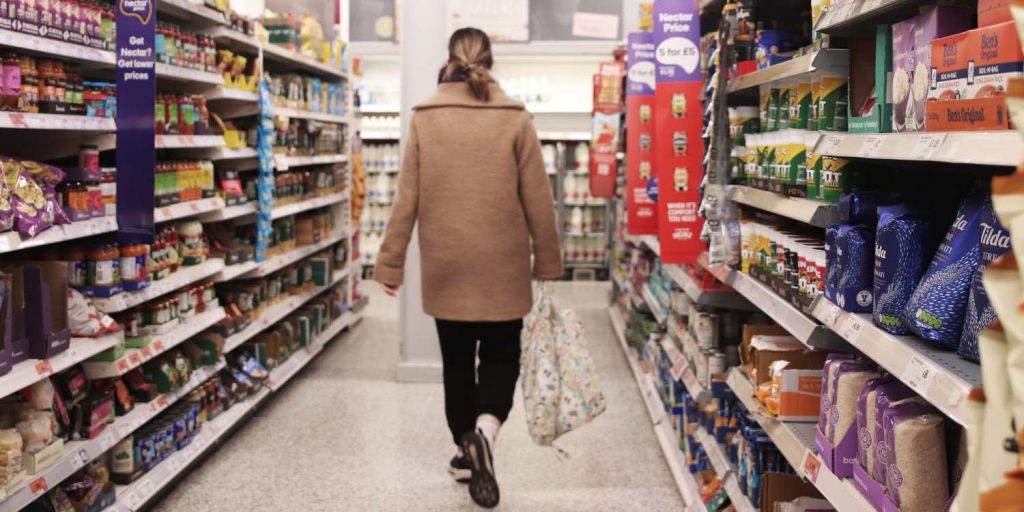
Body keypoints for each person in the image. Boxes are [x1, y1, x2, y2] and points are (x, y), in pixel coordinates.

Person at [374, 27, 562, 509]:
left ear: (449, 60)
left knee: (456, 363)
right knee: (501, 358)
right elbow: (538, 200)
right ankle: (484, 433)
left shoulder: (426, 118)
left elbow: (406, 200)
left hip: (447, 263)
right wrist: (549, 261)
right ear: (491, 61)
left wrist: (390, 263)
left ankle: (465, 447)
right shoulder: (516, 119)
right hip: (503, 264)